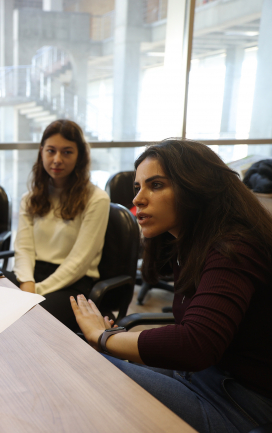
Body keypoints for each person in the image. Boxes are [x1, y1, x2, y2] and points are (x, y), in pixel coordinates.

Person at [71, 139, 272, 433]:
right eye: (138, 187)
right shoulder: (190, 244)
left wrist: (104, 338)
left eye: (155, 185)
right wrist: (109, 338)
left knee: (90, 367)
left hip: (241, 402)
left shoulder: (234, 247)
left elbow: (195, 344)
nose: (138, 199)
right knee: (86, 360)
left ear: (196, 187)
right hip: (206, 376)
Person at [12, 119, 110, 331]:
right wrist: (27, 283)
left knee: (25, 320)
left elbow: (79, 261)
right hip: (34, 276)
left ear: (80, 156)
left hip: (73, 284)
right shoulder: (30, 198)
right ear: (41, 152)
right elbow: (24, 249)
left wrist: (36, 291)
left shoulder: (97, 199)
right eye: (51, 151)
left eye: (67, 152)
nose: (57, 159)